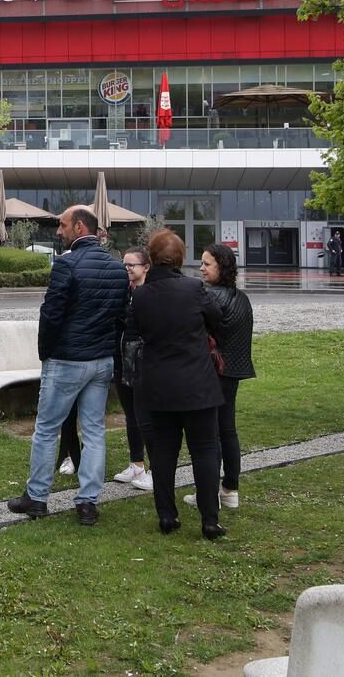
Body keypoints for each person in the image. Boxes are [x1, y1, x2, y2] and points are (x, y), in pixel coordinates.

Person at [8, 206, 129, 527]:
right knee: (94, 432)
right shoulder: (118, 268)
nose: (58, 232)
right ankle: (87, 502)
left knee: (47, 429)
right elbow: (121, 319)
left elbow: (50, 315)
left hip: (66, 360)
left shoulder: (66, 264)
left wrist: (46, 353)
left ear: (78, 226)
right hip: (101, 362)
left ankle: (37, 498)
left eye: (62, 226)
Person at [127, 229, 229, 539]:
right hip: (197, 382)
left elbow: (133, 332)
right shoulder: (194, 288)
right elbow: (219, 322)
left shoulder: (140, 295)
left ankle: (167, 516)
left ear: (152, 258)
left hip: (158, 384)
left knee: (164, 452)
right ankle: (210, 520)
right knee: (205, 450)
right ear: (181, 258)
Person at [199, 243, 254, 511]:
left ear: (221, 267)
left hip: (212, 371)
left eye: (207, 264)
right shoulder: (241, 298)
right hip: (233, 370)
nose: (201, 268)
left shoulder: (210, 297)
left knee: (210, 435)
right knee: (227, 429)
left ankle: (210, 495)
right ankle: (230, 488)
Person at [111, 247, 152, 491]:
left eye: (132, 265)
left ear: (145, 267)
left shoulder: (149, 294)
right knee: (131, 416)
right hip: (122, 360)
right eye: (124, 265)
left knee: (147, 417)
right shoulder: (123, 292)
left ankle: (155, 468)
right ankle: (136, 463)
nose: (127, 269)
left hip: (142, 362)